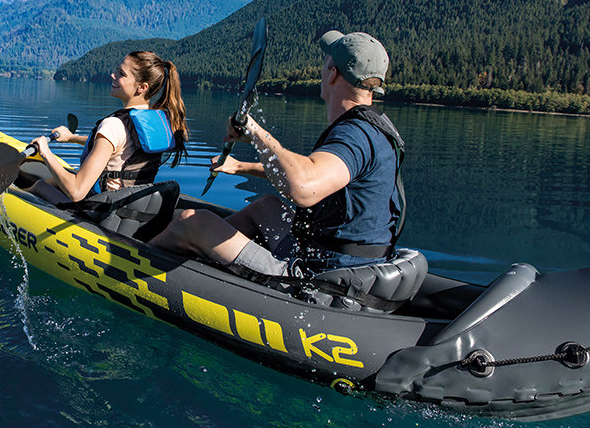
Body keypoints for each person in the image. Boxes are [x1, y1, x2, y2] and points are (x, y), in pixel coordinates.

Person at [150, 30, 405, 277]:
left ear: (332, 73)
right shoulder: (372, 128)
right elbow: (318, 180)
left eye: (325, 62)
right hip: (344, 260)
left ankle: (140, 255)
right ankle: (199, 256)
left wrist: (253, 130)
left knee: (193, 221)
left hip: (324, 273)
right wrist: (240, 167)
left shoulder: (354, 136)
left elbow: (303, 188)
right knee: (266, 206)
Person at [29, 51, 188, 203]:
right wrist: (71, 138)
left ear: (142, 87)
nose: (113, 75)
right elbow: (118, 148)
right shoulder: (156, 122)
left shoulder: (113, 125)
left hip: (102, 209)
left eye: (121, 73)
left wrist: (45, 151)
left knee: (39, 186)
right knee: (56, 181)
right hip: (130, 206)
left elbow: (77, 191)